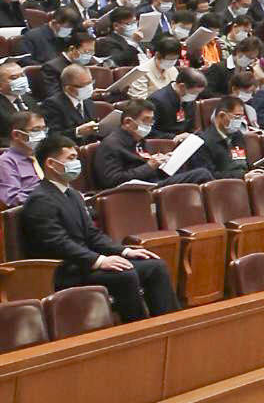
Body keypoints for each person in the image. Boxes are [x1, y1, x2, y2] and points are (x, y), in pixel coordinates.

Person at [13, 132, 179, 320]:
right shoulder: (40, 200)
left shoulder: (73, 194)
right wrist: (99, 260)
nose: (76, 163)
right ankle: (137, 331)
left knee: (155, 265)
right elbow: (57, 244)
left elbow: (92, 235)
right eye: (71, 158)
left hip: (84, 262)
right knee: (125, 274)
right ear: (51, 164)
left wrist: (123, 251)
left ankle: (168, 324)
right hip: (64, 269)